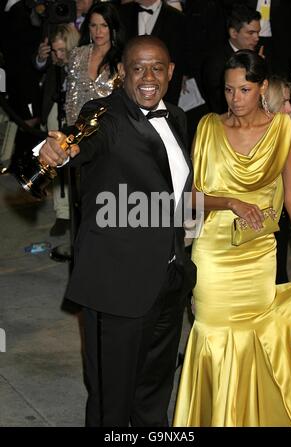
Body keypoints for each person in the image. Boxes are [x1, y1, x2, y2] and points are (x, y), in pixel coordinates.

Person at [38, 35, 196, 427]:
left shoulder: (177, 117)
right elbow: (81, 139)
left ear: (171, 71)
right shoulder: (104, 114)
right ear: (121, 72)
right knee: (112, 404)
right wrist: (59, 148)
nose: (148, 76)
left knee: (153, 397)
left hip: (169, 279)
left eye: (157, 67)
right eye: (137, 67)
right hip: (118, 283)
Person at [173, 49, 291, 427]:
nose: (235, 99)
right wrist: (230, 200)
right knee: (211, 329)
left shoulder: (283, 130)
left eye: (244, 90)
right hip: (212, 252)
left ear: (262, 87)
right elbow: (190, 195)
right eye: (229, 91)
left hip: (259, 253)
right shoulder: (208, 127)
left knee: (252, 337)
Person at [35, 24, 80, 236]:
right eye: (55, 50)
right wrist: (44, 58)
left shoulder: (81, 63)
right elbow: (38, 68)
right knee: (55, 161)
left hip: (75, 117)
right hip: (54, 112)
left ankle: (79, 208)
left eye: (63, 50)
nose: (59, 55)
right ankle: (62, 213)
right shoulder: (54, 65)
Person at [65, 1, 124, 126]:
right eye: (93, 25)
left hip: (110, 130)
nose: (98, 31)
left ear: (112, 28)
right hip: (77, 130)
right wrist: (72, 132)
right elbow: (70, 99)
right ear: (88, 27)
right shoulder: (77, 55)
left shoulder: (123, 59)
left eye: (104, 25)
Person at [202, 3, 262, 114]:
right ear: (234, 33)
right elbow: (219, 103)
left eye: (258, 32)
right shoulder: (216, 62)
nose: (257, 38)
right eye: (251, 33)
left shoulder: (259, 54)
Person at [265, 75, 291, 284]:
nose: (290, 108)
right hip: (249, 226)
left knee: (279, 279)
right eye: (284, 101)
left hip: (279, 218)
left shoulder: (286, 134)